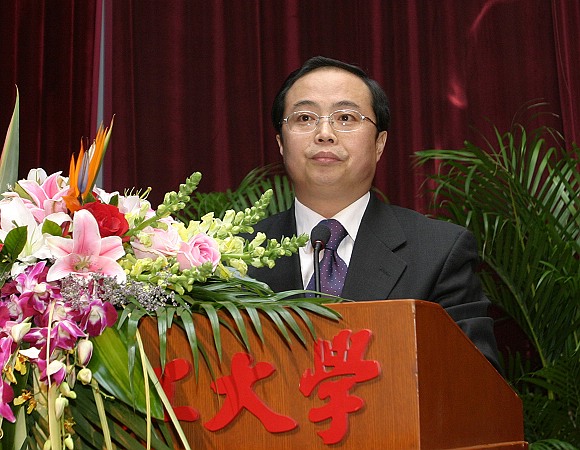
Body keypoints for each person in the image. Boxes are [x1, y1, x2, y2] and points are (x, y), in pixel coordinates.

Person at [248, 56, 500, 370]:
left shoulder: (439, 252)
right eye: (305, 118)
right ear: (281, 144)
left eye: (345, 118)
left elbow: (475, 377)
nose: (324, 133)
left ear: (379, 144)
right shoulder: (234, 256)